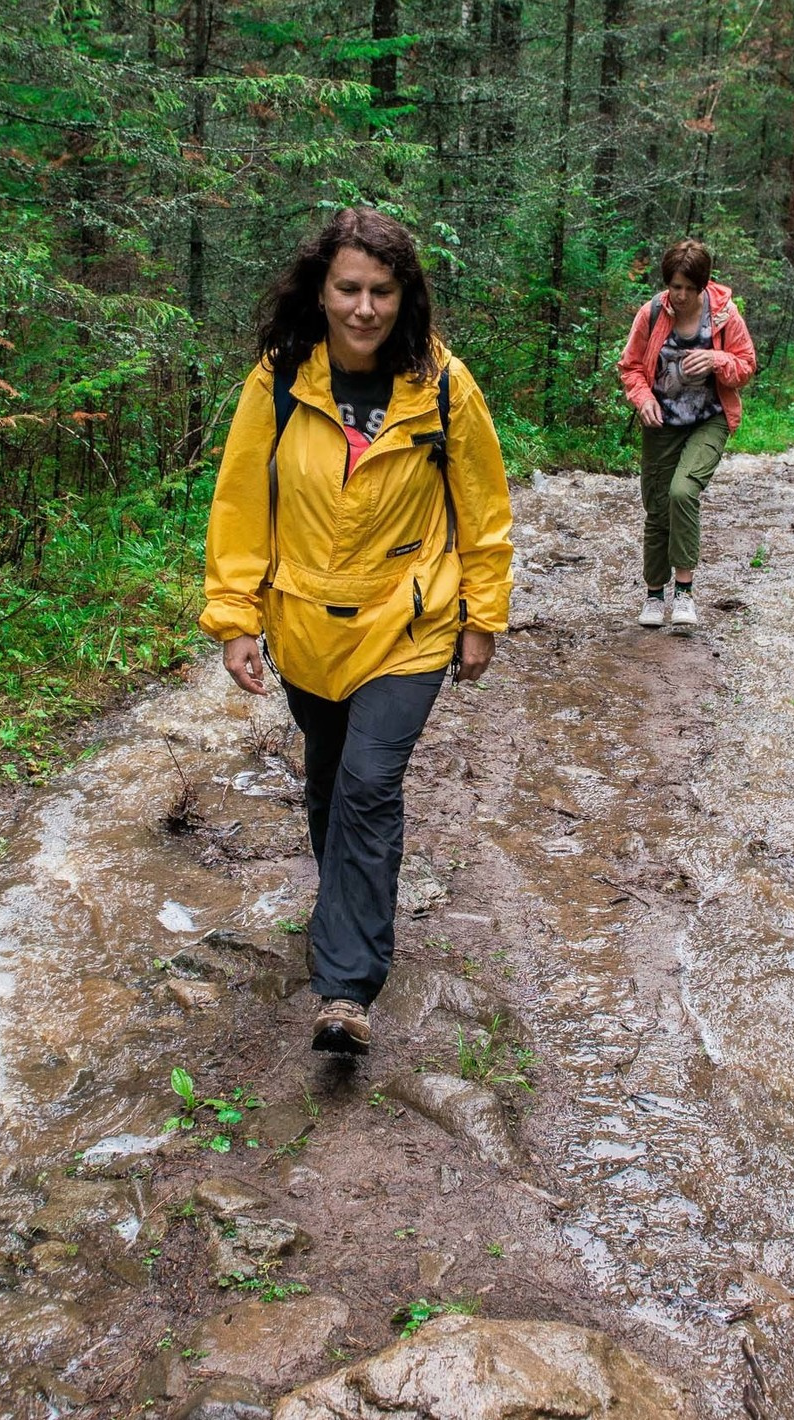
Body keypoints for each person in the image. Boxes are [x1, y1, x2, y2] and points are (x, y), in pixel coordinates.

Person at [202, 208, 514, 1056]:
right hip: (304, 622)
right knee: (330, 777)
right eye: (349, 288)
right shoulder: (278, 381)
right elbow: (240, 505)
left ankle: (345, 986)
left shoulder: (443, 384)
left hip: (409, 625)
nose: (365, 308)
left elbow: (483, 514)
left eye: (382, 290)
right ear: (321, 289)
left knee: (369, 785)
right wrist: (235, 616)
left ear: (404, 295)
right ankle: (345, 906)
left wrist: (482, 616)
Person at [614, 239, 759, 629]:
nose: (679, 295)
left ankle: (684, 594)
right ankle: (653, 596)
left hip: (709, 419)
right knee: (657, 507)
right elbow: (629, 367)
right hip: (661, 422)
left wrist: (716, 359)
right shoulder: (652, 314)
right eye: (674, 286)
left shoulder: (725, 317)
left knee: (683, 492)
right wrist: (642, 398)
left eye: (688, 288)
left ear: (702, 285)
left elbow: (746, 366)